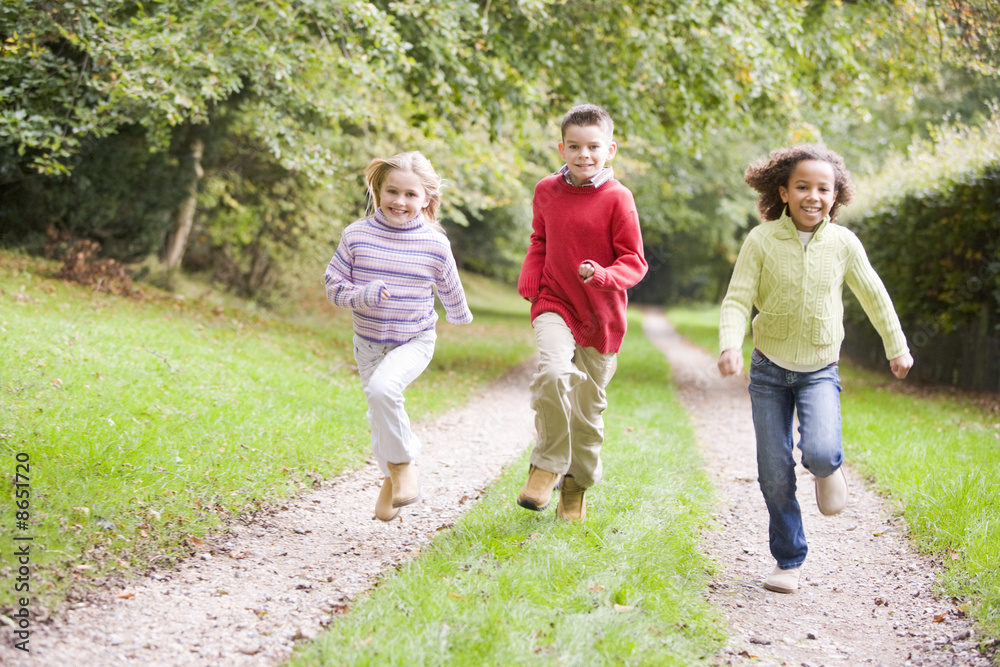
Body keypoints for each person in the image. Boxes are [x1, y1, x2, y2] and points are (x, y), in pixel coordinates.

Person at [717, 144, 914, 593]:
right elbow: (736, 298)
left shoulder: (844, 244)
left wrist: (896, 347)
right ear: (783, 192)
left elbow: (874, 296)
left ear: (836, 195)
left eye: (823, 188)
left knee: (821, 450)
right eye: (802, 186)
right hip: (768, 370)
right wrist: (730, 343)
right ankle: (788, 561)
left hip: (820, 367)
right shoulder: (761, 240)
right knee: (774, 470)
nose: (813, 196)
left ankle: (827, 468)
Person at [323, 151, 473, 522]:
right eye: (392, 191)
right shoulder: (356, 235)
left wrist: (459, 316)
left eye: (410, 195)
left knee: (382, 391)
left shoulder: (434, 244)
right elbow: (333, 286)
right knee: (380, 412)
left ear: (427, 199)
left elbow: (450, 287)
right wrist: (363, 294)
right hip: (368, 342)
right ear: (377, 191)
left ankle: (404, 466)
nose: (400, 202)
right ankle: (392, 480)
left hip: (414, 340)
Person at [516, 103, 648, 522]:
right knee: (553, 373)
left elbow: (635, 261)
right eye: (574, 146)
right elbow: (540, 238)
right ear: (562, 147)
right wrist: (531, 270)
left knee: (587, 418)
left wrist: (606, 275)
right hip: (555, 301)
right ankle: (546, 465)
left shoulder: (618, 198)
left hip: (601, 315)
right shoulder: (546, 190)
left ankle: (575, 486)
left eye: (593, 147)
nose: (584, 155)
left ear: (610, 149)